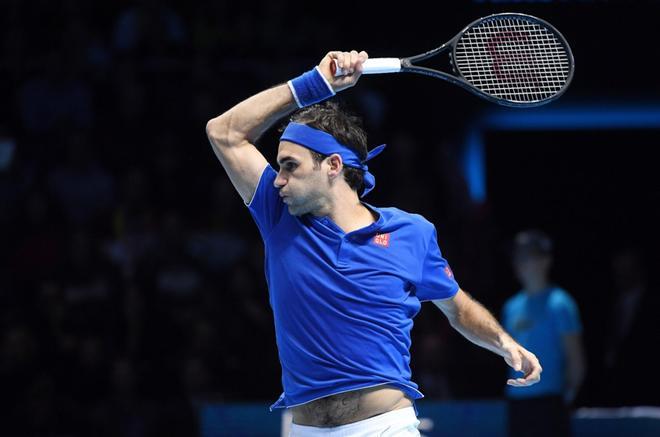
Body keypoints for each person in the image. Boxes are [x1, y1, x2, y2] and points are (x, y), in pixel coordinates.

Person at [206, 50, 542, 436]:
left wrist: (504, 343)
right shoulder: (278, 214)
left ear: (332, 166)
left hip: (384, 429)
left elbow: (456, 306)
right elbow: (224, 132)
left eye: (290, 165)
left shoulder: (411, 232)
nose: (277, 179)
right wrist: (313, 83)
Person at [501, 230, 586, 437]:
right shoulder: (510, 307)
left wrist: (563, 400)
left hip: (550, 404)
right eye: (518, 256)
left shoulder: (561, 303)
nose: (521, 263)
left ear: (545, 260)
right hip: (517, 405)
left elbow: (576, 362)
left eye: (528, 256)